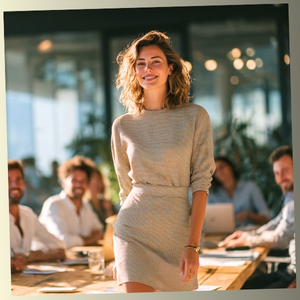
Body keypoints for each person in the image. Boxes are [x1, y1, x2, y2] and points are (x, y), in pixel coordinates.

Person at [111, 30, 215, 293]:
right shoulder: (122, 126)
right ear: (134, 71)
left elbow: (201, 183)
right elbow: (125, 189)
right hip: (132, 232)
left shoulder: (195, 117)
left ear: (171, 68)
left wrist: (192, 245)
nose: (148, 69)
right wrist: (121, 257)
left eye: (156, 61)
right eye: (141, 63)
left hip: (176, 233)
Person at [219, 145, 294, 251]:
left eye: (285, 171)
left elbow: (282, 238)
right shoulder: (290, 196)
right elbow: (278, 222)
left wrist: (249, 239)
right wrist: (248, 234)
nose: (280, 178)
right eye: (277, 173)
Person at [39, 156, 104, 249]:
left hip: (76, 260)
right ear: (63, 182)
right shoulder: (54, 205)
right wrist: (89, 239)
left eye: (83, 181)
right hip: (48, 261)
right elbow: (63, 241)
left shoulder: (86, 205)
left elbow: (99, 232)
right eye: (74, 180)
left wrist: (79, 240)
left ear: (87, 184)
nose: (78, 185)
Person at [8, 160, 66, 263]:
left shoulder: (28, 214)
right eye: (8, 180)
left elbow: (59, 245)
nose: (14, 185)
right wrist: (31, 257)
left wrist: (40, 254)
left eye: (18, 179)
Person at [208, 155, 270, 227]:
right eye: (215, 171)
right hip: (221, 236)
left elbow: (266, 217)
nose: (219, 172)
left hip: (248, 233)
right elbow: (207, 222)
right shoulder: (211, 194)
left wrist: (249, 215)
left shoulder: (250, 187)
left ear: (231, 166)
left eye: (221, 167)